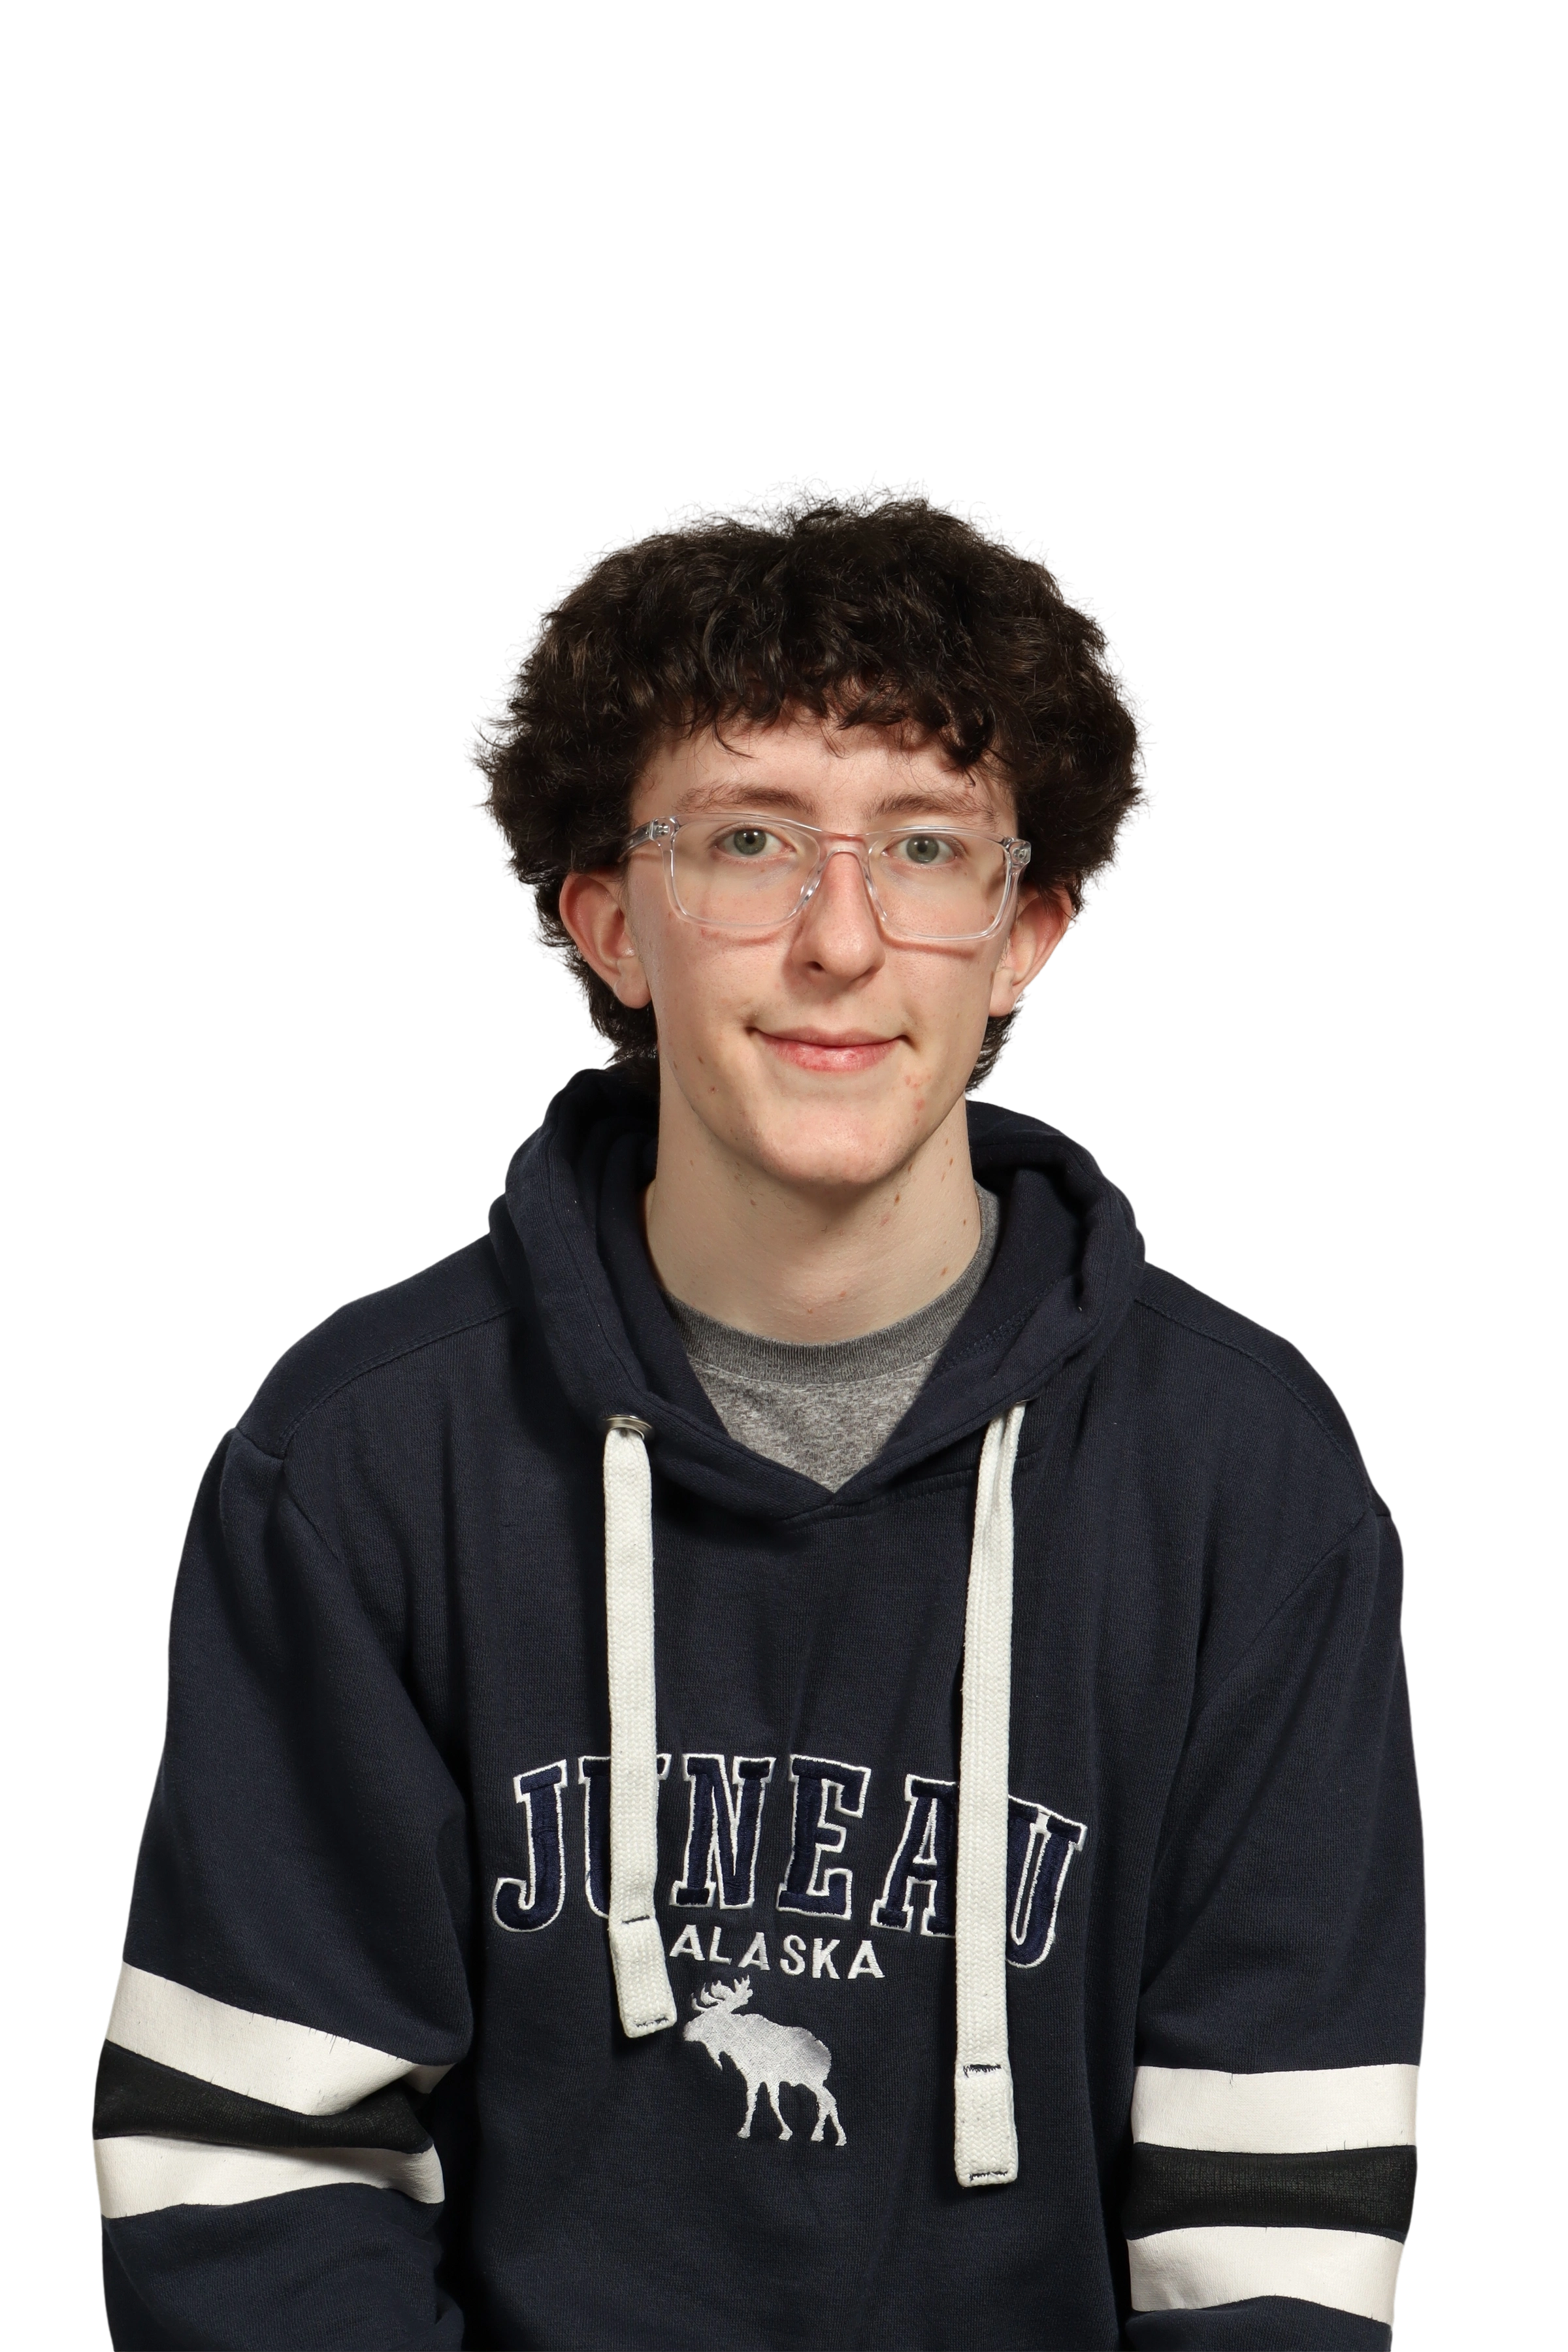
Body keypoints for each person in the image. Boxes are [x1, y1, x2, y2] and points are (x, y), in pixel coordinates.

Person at [91, 472, 1426, 2350]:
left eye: (927, 848)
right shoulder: (363, 1457)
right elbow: (249, 2172)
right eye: (747, 841)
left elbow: (1271, 2209)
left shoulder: (1246, 1475)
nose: (839, 940)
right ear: (611, 924)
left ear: (1027, 928)